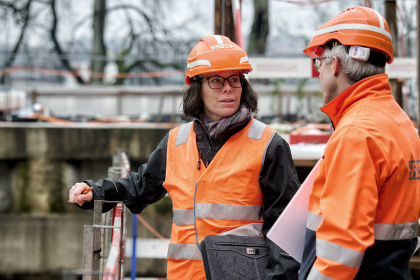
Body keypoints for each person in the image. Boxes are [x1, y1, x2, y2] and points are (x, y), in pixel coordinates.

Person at [69, 34, 300, 280]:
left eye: (235, 79)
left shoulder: (268, 144)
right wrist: (97, 192)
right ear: (197, 86)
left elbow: (287, 225)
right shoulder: (176, 142)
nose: (228, 88)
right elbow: (140, 187)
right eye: (216, 81)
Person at [299, 6, 420, 280]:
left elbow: (340, 253)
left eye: (319, 63)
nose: (319, 72)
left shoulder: (356, 133)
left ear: (335, 64)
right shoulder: (400, 123)